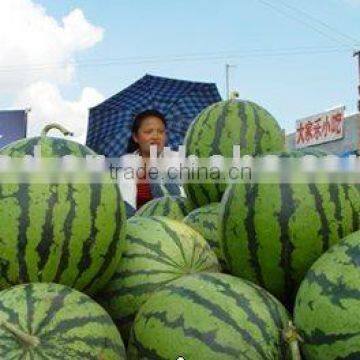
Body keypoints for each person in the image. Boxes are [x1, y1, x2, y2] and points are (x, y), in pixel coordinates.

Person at [120, 110, 183, 211]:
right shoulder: (123, 165)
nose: (156, 136)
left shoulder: (178, 160)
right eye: (148, 132)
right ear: (135, 137)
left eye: (161, 132)